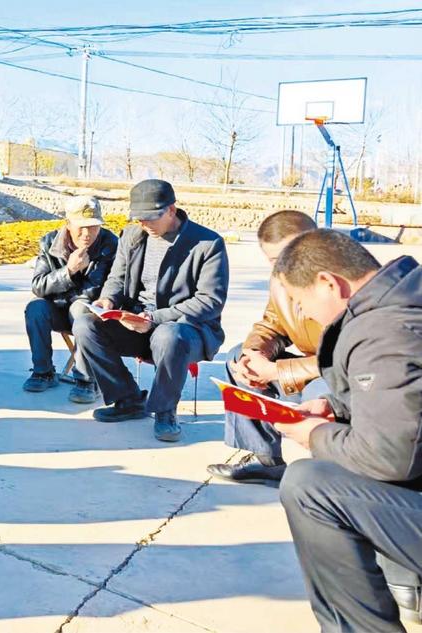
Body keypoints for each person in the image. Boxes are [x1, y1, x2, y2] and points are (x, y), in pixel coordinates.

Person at [272, 230, 421, 631]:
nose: (303, 314)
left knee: (309, 486)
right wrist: (337, 409)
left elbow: (390, 457)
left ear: (328, 283)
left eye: (300, 302)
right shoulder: (407, 298)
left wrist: (315, 435)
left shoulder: (385, 330)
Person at [83, 179, 228, 442]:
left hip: (186, 330)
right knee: (86, 325)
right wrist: (107, 300)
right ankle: (128, 399)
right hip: (136, 321)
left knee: (168, 335)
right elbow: (117, 278)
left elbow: (209, 301)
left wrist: (154, 319)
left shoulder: (207, 244)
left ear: (171, 210)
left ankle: (165, 410)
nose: (144, 224)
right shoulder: (132, 236)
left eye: (150, 218)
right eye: (139, 218)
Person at [207, 210, 325, 485]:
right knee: (238, 357)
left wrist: (277, 371)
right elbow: (272, 325)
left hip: (340, 378)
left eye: (291, 254)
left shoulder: (339, 282)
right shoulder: (282, 280)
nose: (284, 264)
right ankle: (266, 461)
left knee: (322, 388)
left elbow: (347, 360)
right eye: (275, 259)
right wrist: (254, 355)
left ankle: (331, 475)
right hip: (307, 370)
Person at [23, 196, 118, 401]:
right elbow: (38, 286)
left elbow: (95, 291)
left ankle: (87, 380)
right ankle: (43, 372)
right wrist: (69, 271)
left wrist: (68, 295)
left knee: (80, 309)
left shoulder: (110, 244)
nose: (87, 234)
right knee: (35, 308)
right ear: (68, 224)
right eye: (81, 227)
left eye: (93, 227)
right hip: (57, 310)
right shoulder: (50, 243)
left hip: (90, 315)